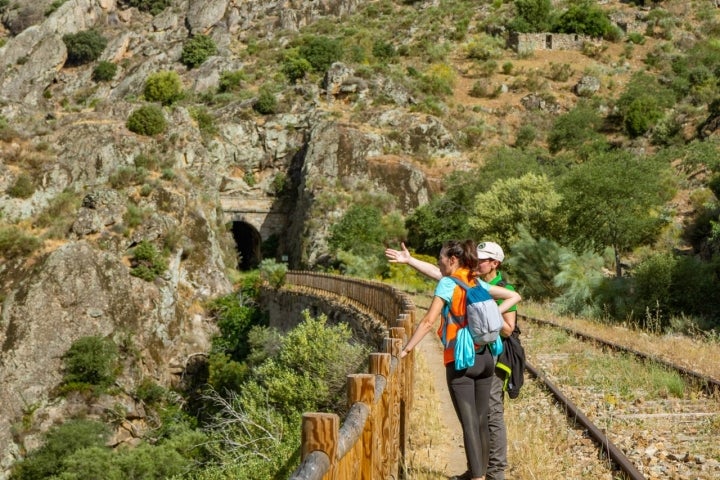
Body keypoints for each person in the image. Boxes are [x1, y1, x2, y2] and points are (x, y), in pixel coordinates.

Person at [386, 241, 517, 480]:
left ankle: (477, 477)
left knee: (469, 424)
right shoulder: (477, 281)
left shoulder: (448, 283)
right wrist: (492, 319)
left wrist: (406, 349)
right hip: (487, 358)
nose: (439, 262)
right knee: (481, 421)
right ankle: (486, 474)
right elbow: (513, 296)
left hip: (461, 360)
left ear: (453, 260)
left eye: (441, 258)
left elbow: (427, 322)